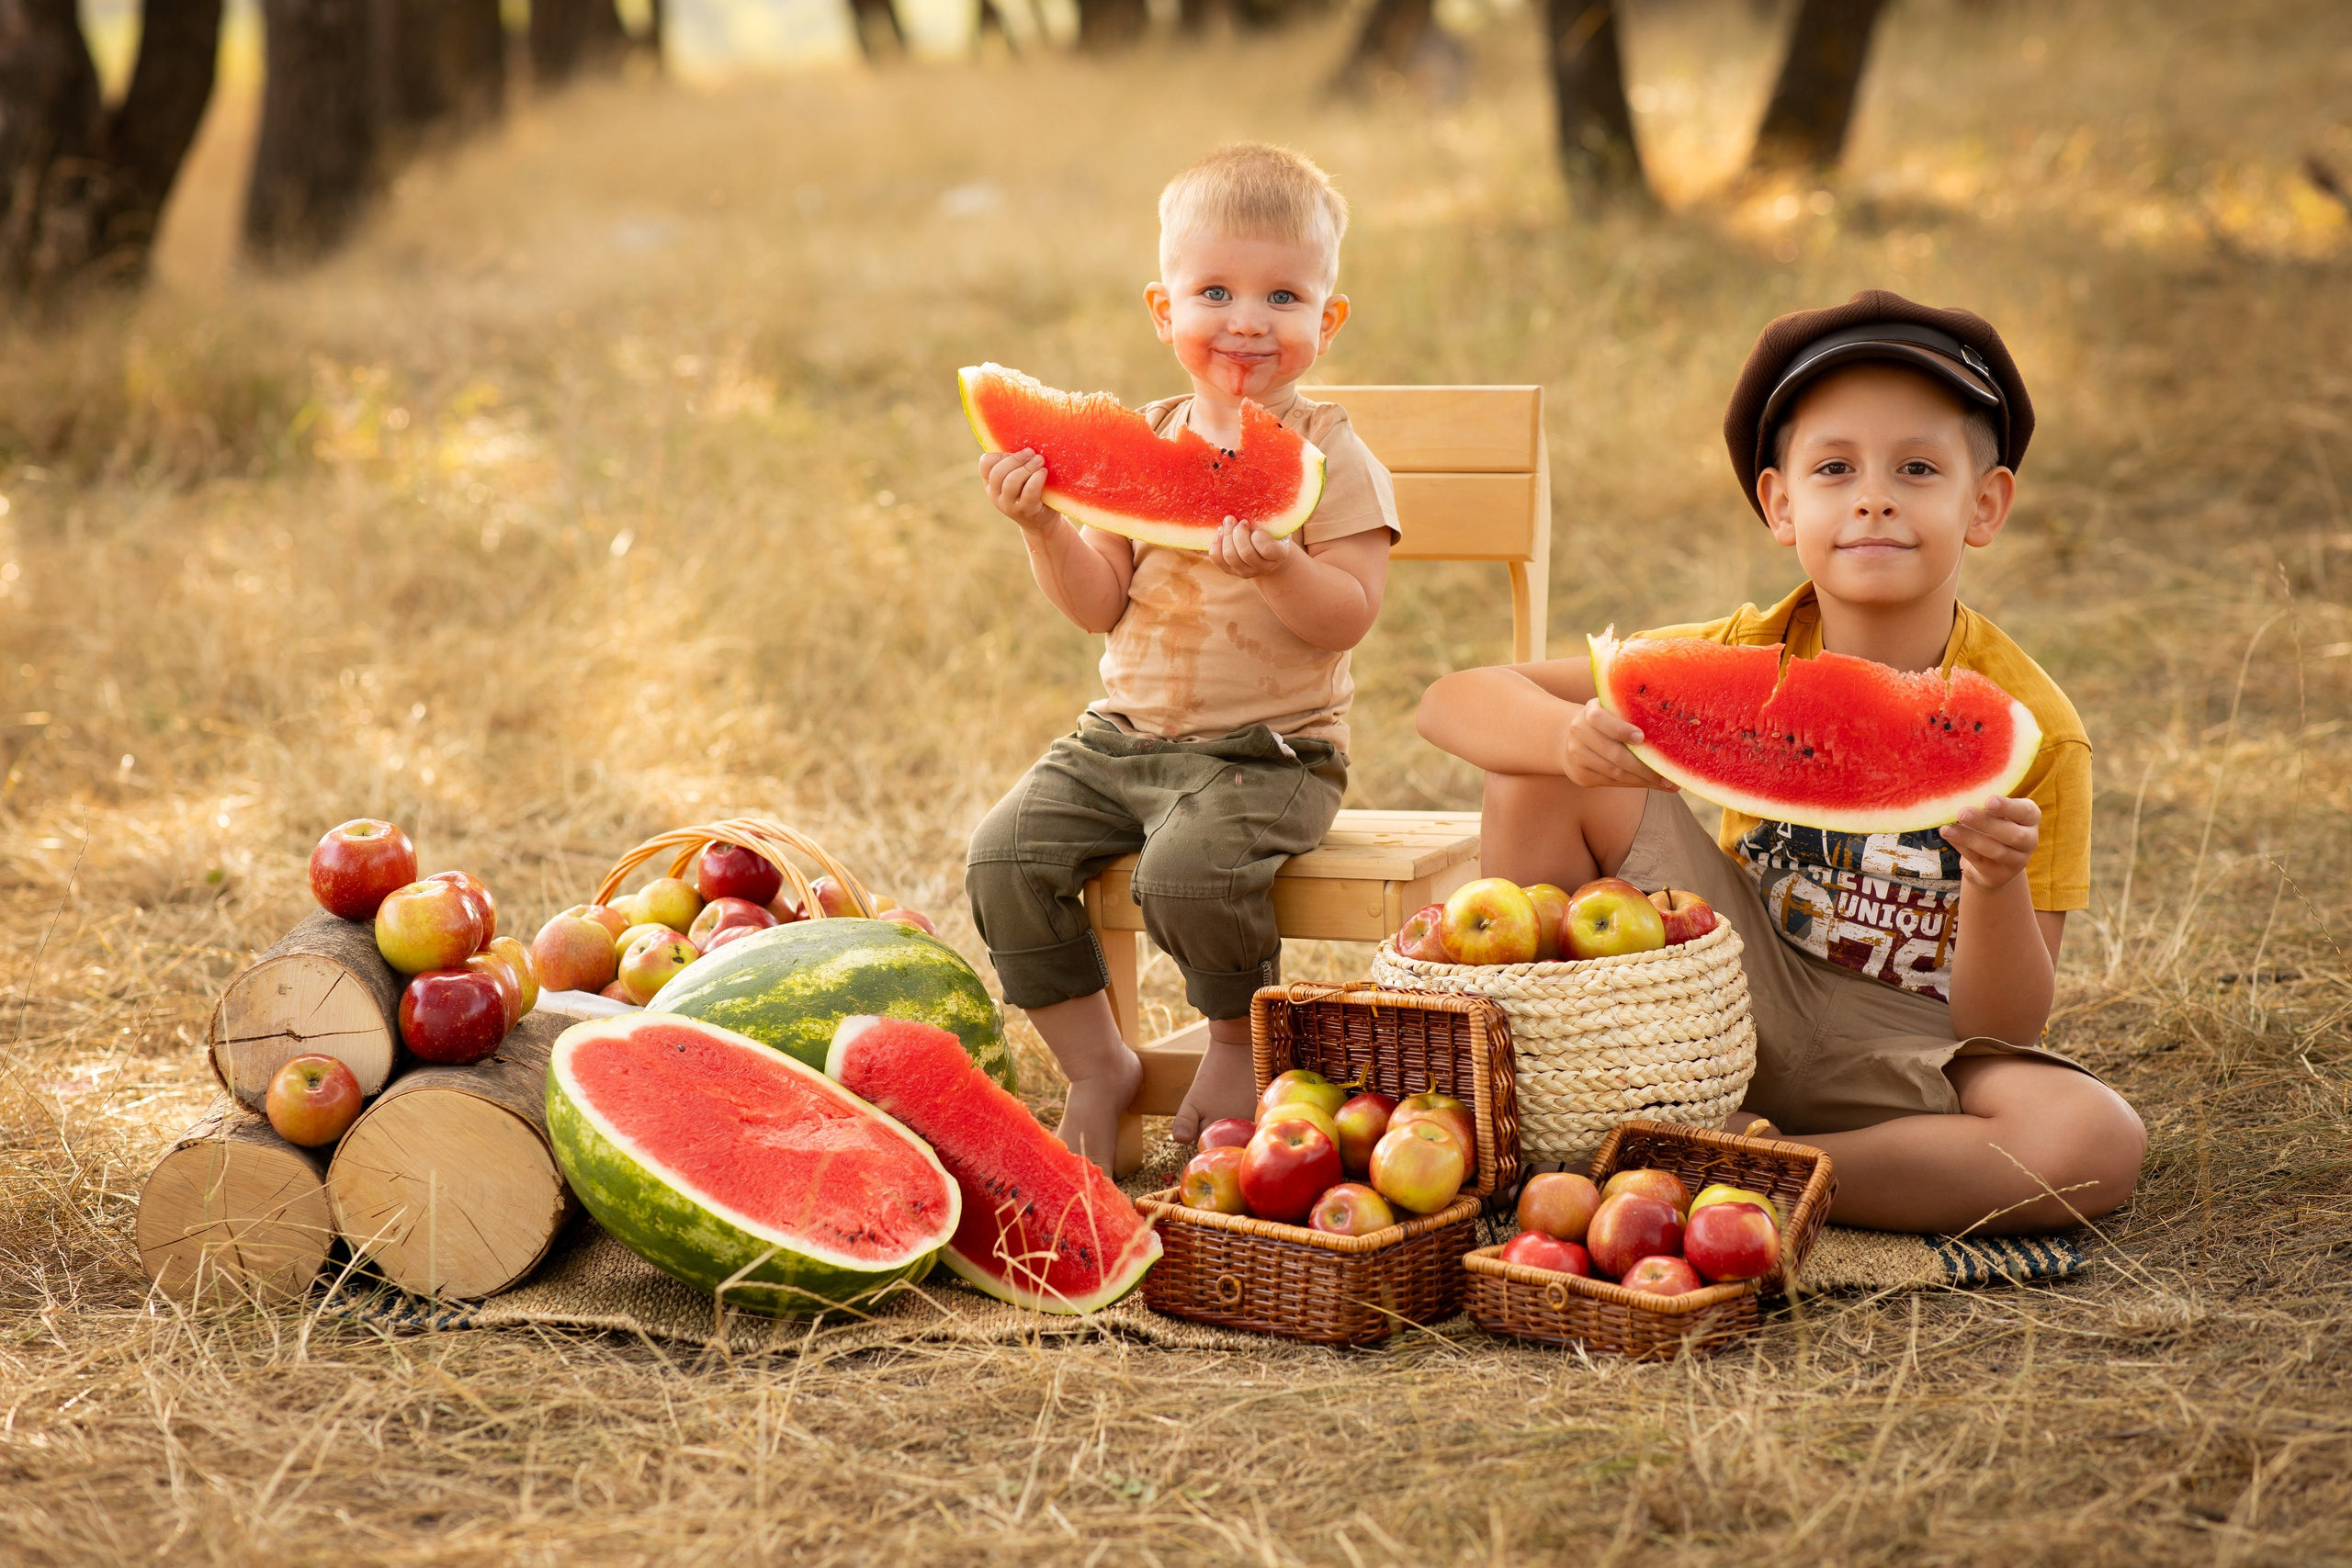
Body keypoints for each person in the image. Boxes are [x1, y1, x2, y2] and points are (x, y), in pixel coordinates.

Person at [1417, 291, 2144, 1234]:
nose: (1873, 496)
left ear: (1984, 505)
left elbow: (2005, 1029)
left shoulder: (2032, 729)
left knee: (2089, 1141)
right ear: (1779, 504)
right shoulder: (1735, 655)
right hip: (1717, 996)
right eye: (1834, 467)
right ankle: (1567, 1093)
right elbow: (1452, 698)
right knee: (1532, 763)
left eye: (1916, 468)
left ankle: (1720, 1165)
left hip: (1906, 1054)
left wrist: (1996, 882)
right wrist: (1567, 742)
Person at [966, 143, 1399, 1170]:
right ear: (1164, 312)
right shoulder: (1141, 447)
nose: (1246, 320)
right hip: (1119, 742)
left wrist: (1281, 571)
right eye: (1214, 291)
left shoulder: (1332, 456)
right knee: (1002, 856)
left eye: (1282, 295)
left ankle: (1234, 1041)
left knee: (1187, 874)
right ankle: (1094, 1064)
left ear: (1326, 322)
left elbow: (1349, 615)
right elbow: (1097, 604)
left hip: (1271, 756)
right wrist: (1042, 530)